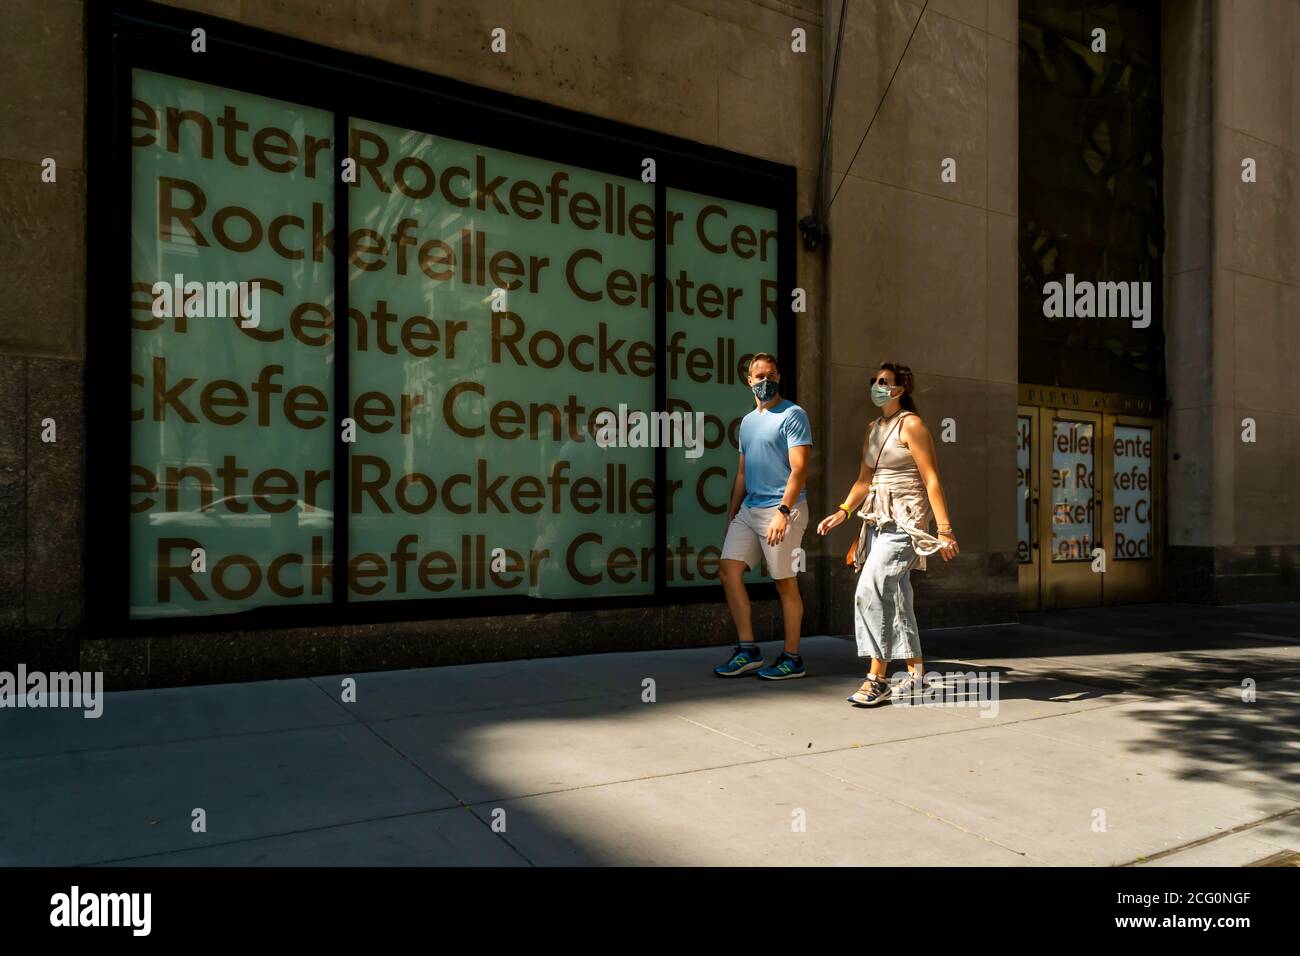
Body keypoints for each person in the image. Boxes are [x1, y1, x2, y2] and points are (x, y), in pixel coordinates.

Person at [817, 363, 958, 705]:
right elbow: (864, 480)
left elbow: (932, 479)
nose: (876, 386)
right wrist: (842, 511)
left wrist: (944, 530)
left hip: (906, 524)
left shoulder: (912, 425)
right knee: (896, 597)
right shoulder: (873, 428)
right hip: (878, 522)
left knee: (871, 589)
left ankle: (876, 678)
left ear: (899, 389)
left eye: (884, 382)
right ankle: (916, 676)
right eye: (874, 381)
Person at [713, 352, 813, 680]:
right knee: (728, 570)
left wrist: (784, 512)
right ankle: (748, 650)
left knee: (784, 583)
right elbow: (742, 474)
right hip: (750, 509)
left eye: (771, 375)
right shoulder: (747, 422)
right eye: (759, 377)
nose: (765, 381)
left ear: (779, 377)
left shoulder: (793, 415)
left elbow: (800, 468)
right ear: (749, 380)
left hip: (783, 509)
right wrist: (732, 515)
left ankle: (792, 657)